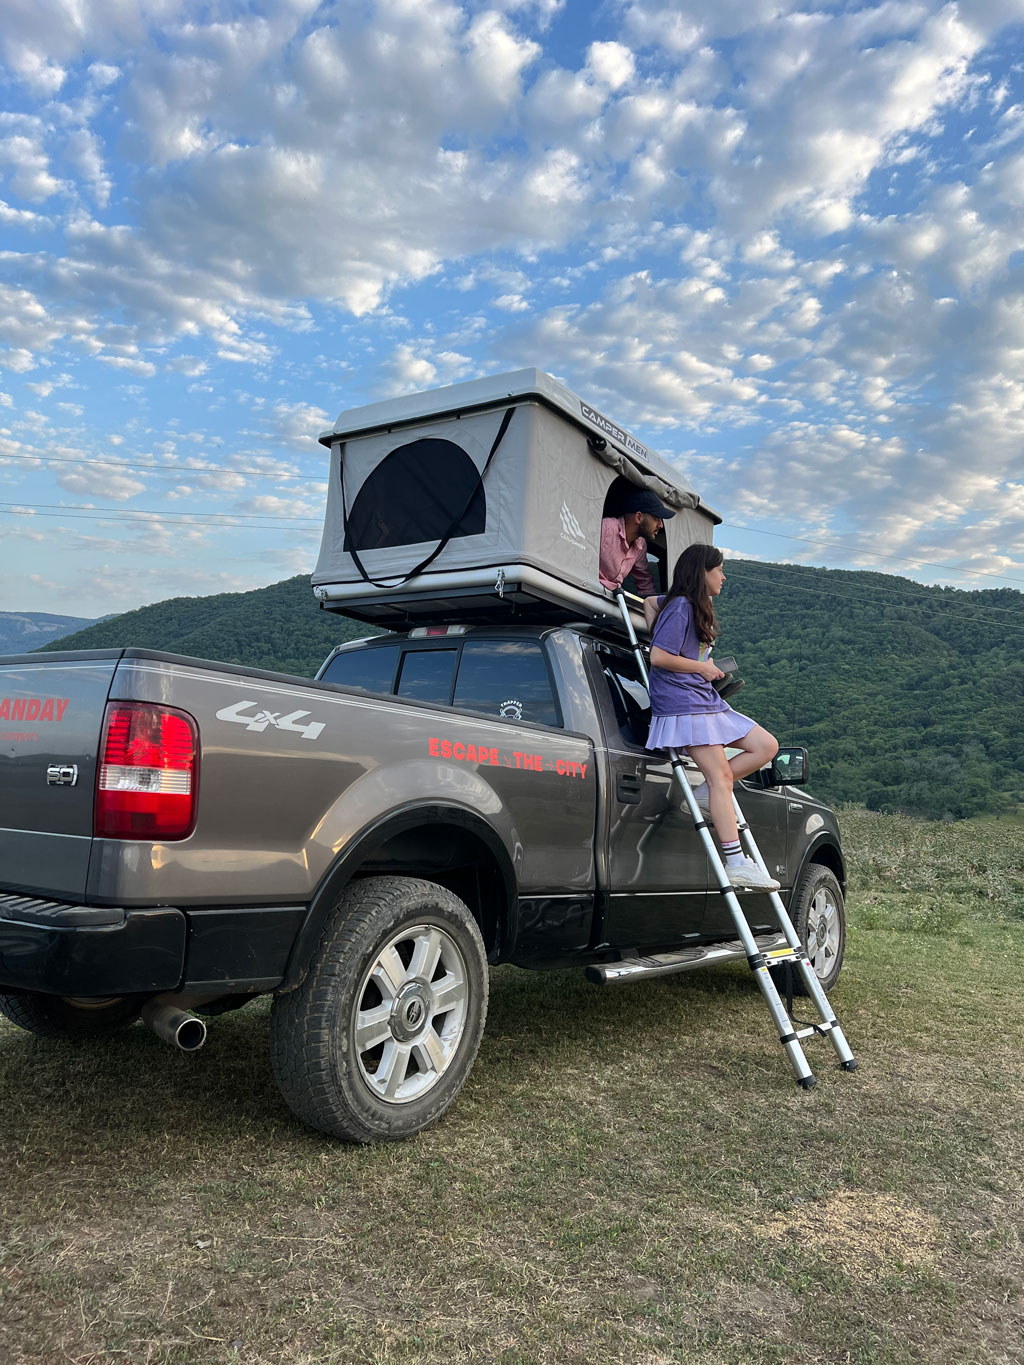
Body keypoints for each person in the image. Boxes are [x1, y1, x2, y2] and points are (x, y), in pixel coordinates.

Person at [644, 543, 781, 891]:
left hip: (702, 699)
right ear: (701, 572)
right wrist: (701, 668)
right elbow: (658, 657)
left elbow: (648, 603)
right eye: (718, 569)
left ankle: (707, 795)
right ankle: (736, 862)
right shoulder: (682, 607)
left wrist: (699, 671)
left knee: (765, 746)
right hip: (684, 702)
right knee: (722, 776)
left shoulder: (680, 605)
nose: (723, 576)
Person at [599, 489, 674, 596]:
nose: (660, 525)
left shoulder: (641, 544)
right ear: (638, 517)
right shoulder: (606, 528)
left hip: (612, 600)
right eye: (656, 518)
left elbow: (644, 581)